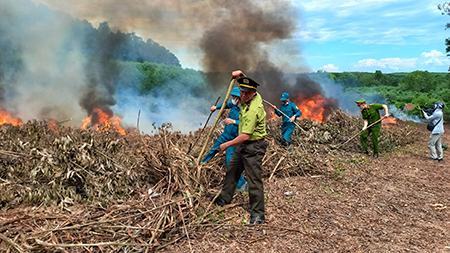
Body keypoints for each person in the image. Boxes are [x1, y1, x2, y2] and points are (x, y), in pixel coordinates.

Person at [214, 70, 268, 225]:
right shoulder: (254, 97)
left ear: (252, 94)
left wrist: (226, 145)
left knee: (254, 179)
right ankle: (224, 199)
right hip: (243, 144)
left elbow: (245, 135)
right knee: (232, 172)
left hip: (254, 146)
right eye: (241, 92)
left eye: (245, 94)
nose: (242, 96)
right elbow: (248, 82)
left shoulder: (253, 110)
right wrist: (241, 74)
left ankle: (258, 215)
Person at [202, 87, 247, 190]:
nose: (233, 99)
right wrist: (216, 107)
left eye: (235, 97)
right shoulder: (234, 105)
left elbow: (248, 125)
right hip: (226, 135)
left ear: (240, 98)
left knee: (230, 161)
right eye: (233, 97)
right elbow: (225, 105)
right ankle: (201, 164)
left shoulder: (246, 109)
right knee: (213, 150)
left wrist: (234, 122)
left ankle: (242, 184)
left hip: (235, 140)